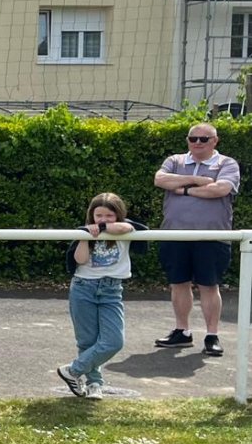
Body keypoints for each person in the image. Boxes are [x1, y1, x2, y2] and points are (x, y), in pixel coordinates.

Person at [152, 123, 239, 356]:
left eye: (204, 139)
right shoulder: (175, 160)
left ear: (215, 141)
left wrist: (184, 189)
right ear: (188, 141)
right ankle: (182, 331)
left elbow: (219, 190)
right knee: (178, 283)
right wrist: (199, 181)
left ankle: (212, 336)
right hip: (174, 235)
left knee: (209, 286)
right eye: (193, 139)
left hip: (212, 237)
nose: (198, 142)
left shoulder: (227, 164)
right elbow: (160, 180)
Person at [58, 193, 141, 399]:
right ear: (91, 215)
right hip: (83, 288)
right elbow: (80, 259)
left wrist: (102, 227)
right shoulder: (86, 231)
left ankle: (72, 371)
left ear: (118, 215)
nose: (103, 219)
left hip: (111, 290)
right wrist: (86, 235)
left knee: (114, 341)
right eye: (99, 215)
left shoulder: (125, 228)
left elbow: (124, 228)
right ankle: (94, 384)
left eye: (109, 215)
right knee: (87, 340)